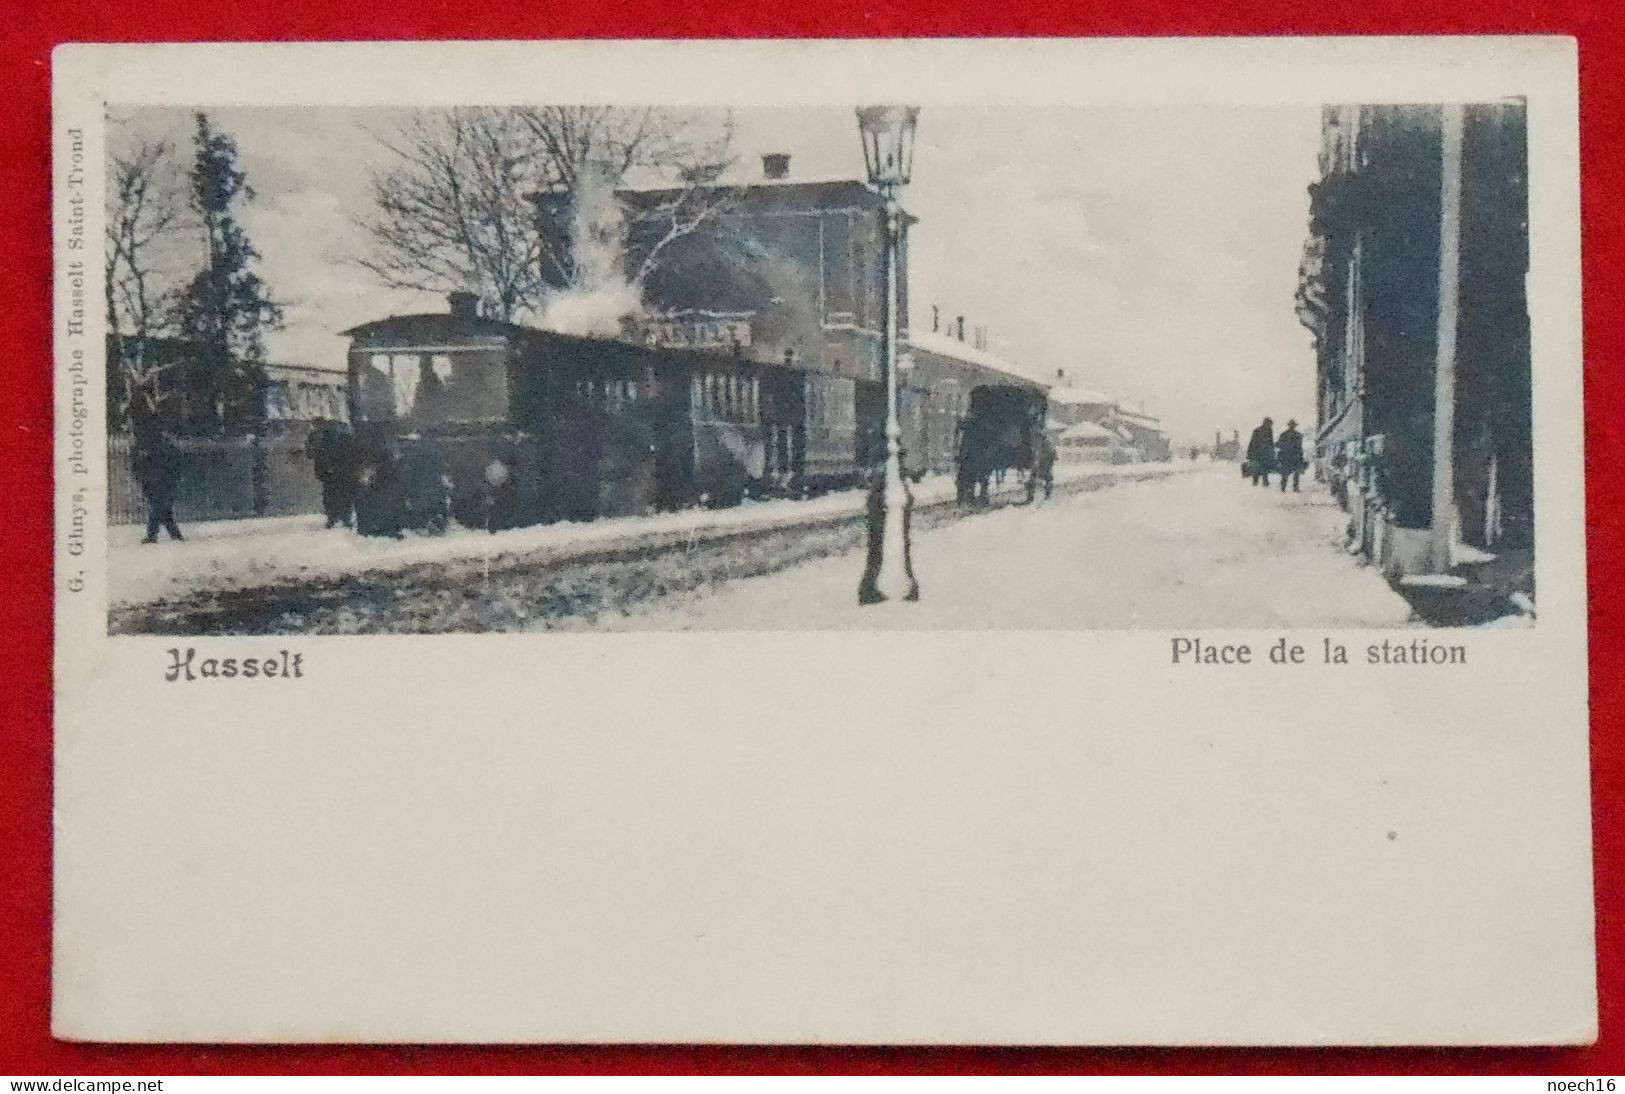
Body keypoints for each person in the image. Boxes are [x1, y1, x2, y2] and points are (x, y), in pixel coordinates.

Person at [131, 416, 184, 544]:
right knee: (162, 509)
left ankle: (154, 535)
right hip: (158, 479)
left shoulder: (150, 444)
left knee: (158, 507)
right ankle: (174, 534)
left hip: (157, 480)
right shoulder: (160, 444)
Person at [307, 420, 357, 529]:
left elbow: (312, 453)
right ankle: (342, 517)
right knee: (342, 493)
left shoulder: (320, 436)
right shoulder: (344, 436)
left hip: (331, 471)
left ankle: (335, 517)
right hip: (340, 470)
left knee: (332, 493)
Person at [1276, 418, 1307, 493]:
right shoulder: (1287, 435)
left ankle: (1292, 488)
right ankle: (1285, 488)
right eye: (1291, 425)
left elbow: (1299, 447)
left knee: (1294, 473)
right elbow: (1280, 445)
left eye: (1292, 425)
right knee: (1286, 474)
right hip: (1289, 457)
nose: (1292, 427)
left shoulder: (1296, 435)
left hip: (1292, 457)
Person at [1245, 417, 1277, 487]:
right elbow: (1253, 442)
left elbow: (1270, 443)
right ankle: (1259, 482)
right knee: (1259, 468)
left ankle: (1261, 482)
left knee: (1262, 468)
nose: (1270, 426)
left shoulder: (1268, 431)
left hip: (1262, 453)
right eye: (1269, 424)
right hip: (1259, 453)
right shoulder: (1259, 431)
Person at [1026, 430, 1057, 503]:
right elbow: (1037, 456)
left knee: (1047, 480)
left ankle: (1046, 495)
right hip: (1040, 466)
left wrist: (1048, 462)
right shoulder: (1039, 445)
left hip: (1044, 466)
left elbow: (1052, 455)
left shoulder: (1046, 445)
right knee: (1033, 480)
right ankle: (1031, 496)